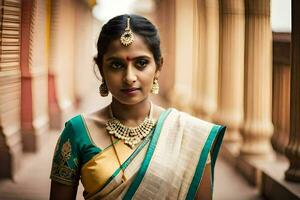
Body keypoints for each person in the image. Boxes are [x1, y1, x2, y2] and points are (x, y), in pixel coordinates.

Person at [49, 14, 226, 200]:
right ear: (101, 69)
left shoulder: (189, 136)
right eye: (116, 65)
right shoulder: (78, 132)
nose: (129, 77)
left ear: (158, 67)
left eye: (141, 63)